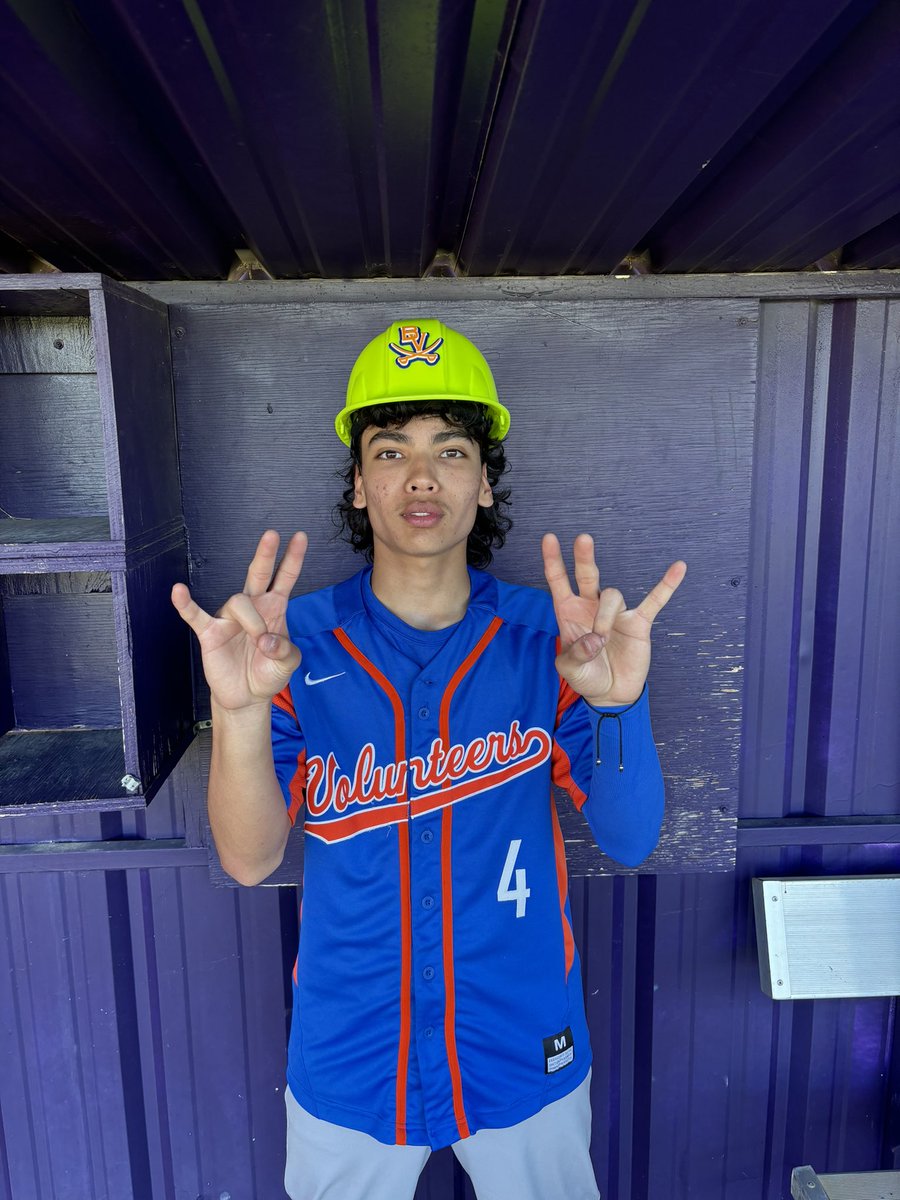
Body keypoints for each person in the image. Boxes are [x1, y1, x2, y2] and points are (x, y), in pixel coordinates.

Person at [171, 320, 686, 1200]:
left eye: (451, 450)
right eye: (390, 448)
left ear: (484, 483)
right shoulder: (287, 648)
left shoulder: (552, 641)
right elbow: (248, 858)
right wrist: (239, 711)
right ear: (361, 485)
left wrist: (615, 703)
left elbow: (632, 838)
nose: (420, 474)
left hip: (524, 1036)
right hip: (351, 1045)